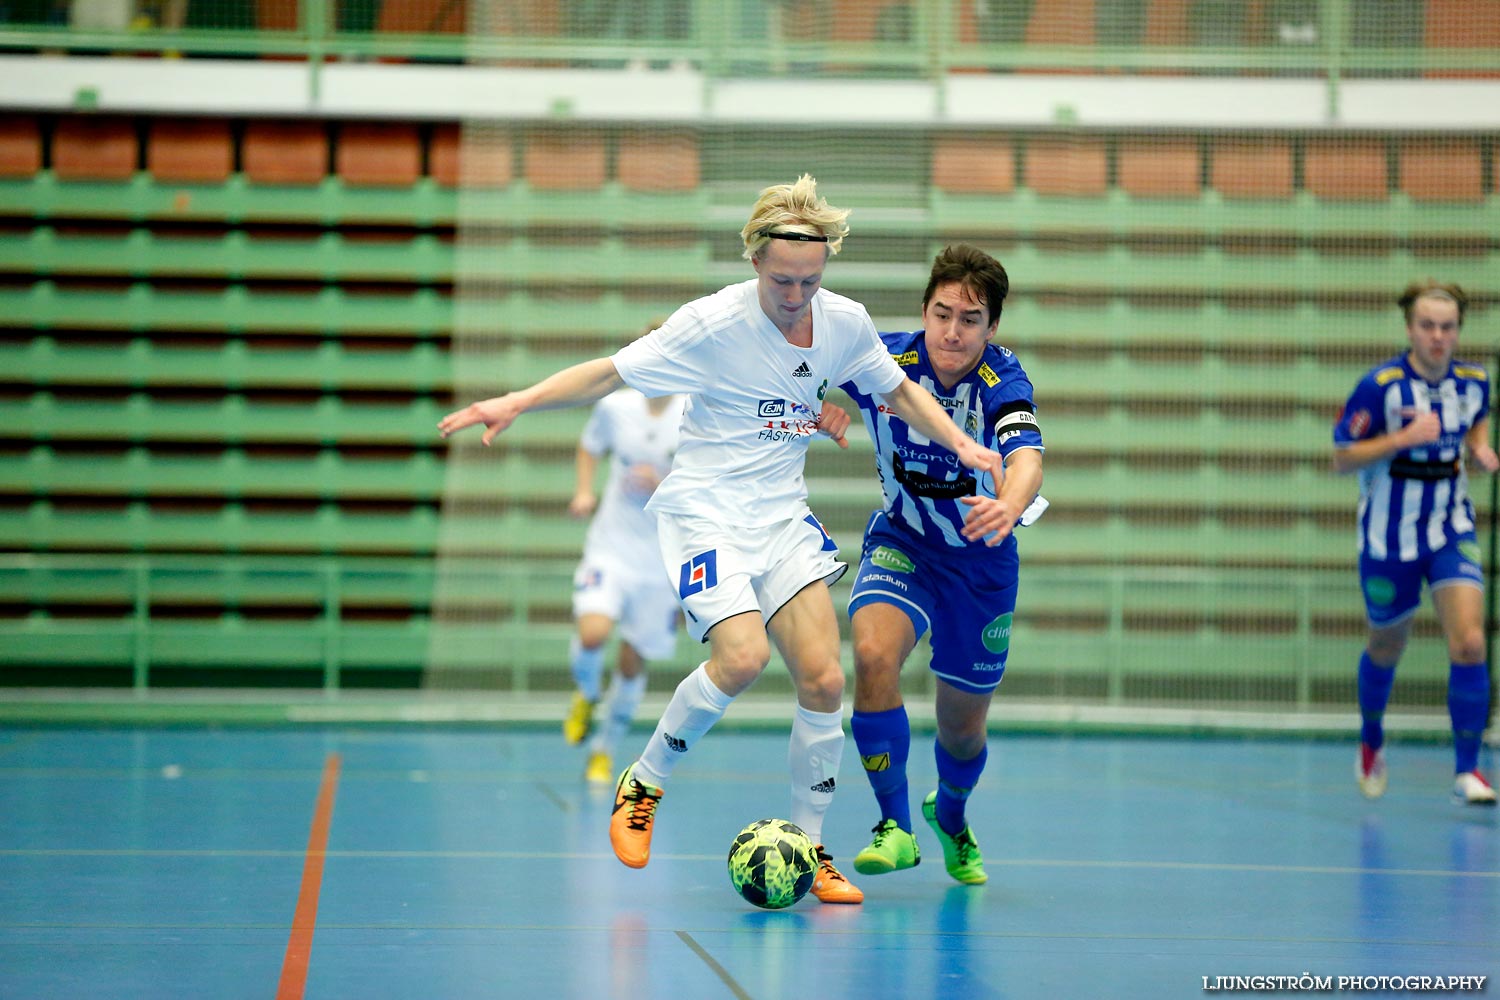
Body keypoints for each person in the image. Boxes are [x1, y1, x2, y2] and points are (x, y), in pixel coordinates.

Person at [439, 175, 1007, 905]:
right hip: (705, 512)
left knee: (825, 678)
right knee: (741, 658)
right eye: (781, 280)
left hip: (779, 517)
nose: (796, 294)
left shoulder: (843, 322)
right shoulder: (710, 324)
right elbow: (606, 374)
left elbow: (897, 390)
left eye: (809, 279)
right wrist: (518, 399)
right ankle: (643, 781)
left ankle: (810, 843)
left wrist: (961, 442)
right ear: (753, 261)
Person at [837, 244, 1046, 887]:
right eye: (942, 312)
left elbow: (1026, 456)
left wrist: (1009, 505)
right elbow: (799, 366)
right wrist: (812, 407)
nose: (953, 331)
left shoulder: (1001, 382)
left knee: (961, 731)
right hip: (903, 542)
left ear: (992, 328)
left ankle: (948, 813)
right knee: (872, 656)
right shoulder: (886, 361)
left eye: (971, 319)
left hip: (980, 569)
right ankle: (894, 825)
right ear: (924, 310)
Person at [1333, 279, 1497, 806]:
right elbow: (1341, 456)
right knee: (1387, 647)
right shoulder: (1378, 386)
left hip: (1451, 526)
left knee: (1470, 643)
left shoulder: (1474, 382)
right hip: (1389, 538)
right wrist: (1401, 439)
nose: (1437, 336)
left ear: (1457, 333)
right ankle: (1371, 738)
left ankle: (1468, 770)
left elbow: (1476, 420)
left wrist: (1481, 448)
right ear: (1410, 329)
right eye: (1427, 326)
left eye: (1447, 327)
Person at [562, 320, 686, 786]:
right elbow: (589, 446)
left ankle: (603, 750)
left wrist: (666, 484)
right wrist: (583, 492)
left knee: (634, 661)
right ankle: (587, 693)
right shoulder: (616, 407)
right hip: (611, 547)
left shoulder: (696, 414)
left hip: (660, 560)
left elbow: (711, 479)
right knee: (593, 633)